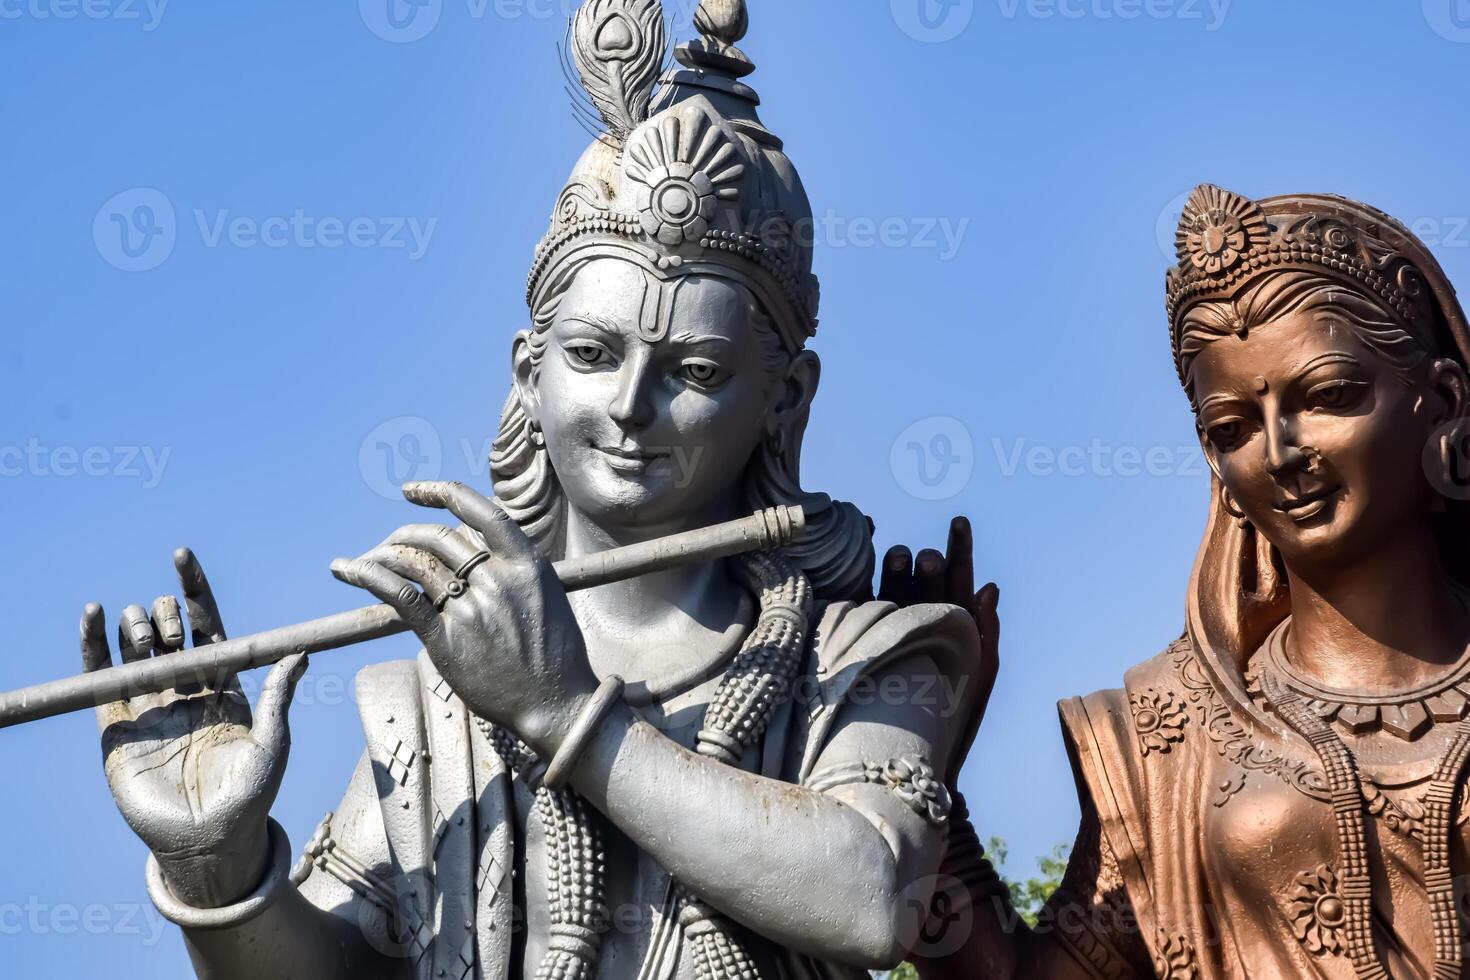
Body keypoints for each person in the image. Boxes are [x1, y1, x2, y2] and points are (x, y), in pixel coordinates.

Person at [76, 3, 992, 978]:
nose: (633, 405)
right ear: (529, 372)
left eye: (695, 370)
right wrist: (216, 866)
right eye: (592, 354)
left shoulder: (865, 655)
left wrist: (562, 713)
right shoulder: (446, 693)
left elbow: (871, 893)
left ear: (784, 398)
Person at [907, 184, 1470, 979]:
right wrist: (922, 767)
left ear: (1443, 402)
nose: (1280, 452)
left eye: (1329, 397)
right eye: (1233, 428)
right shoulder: (1170, 731)